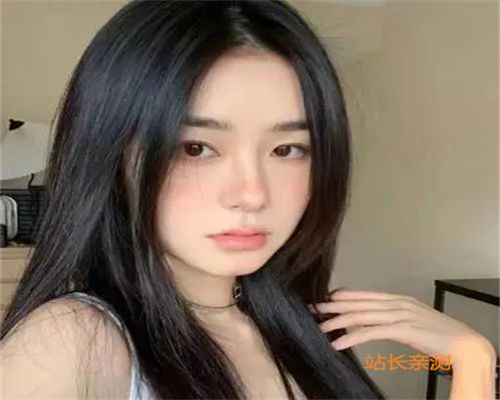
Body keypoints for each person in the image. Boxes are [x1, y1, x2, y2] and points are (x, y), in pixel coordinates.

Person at [1, 1, 495, 399]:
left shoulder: (295, 323)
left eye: (287, 150)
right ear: (111, 152)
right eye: (196, 148)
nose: (253, 194)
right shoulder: (73, 342)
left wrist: (472, 363)